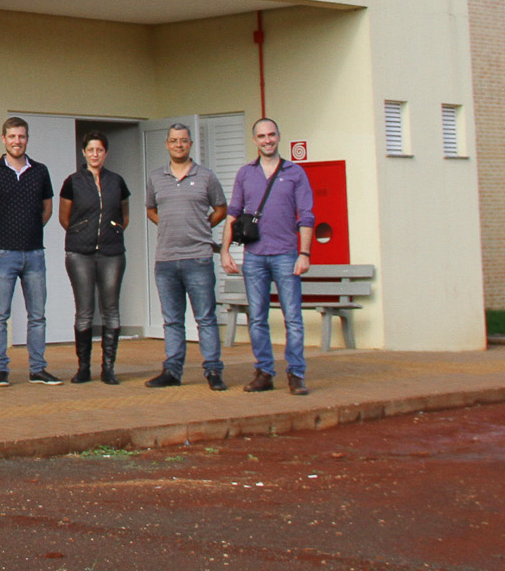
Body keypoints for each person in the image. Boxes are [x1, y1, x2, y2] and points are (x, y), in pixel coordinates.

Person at [222, 117, 317, 396]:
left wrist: (305, 253)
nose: (267, 140)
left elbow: (307, 216)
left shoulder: (295, 172)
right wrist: (225, 250)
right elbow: (233, 213)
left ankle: (296, 374)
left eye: (271, 135)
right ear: (255, 140)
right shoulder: (245, 173)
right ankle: (264, 372)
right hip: (254, 256)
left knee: (293, 317)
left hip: (287, 255)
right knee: (257, 318)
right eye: (261, 136)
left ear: (278, 137)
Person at [144, 123, 229, 391]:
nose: (178, 145)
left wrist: (201, 226)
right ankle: (172, 370)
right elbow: (150, 210)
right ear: (167, 145)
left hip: (198, 258)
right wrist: (171, 224)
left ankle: (213, 370)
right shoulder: (156, 177)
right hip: (166, 259)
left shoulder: (206, 176)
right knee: (172, 320)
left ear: (190, 144)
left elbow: (221, 209)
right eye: (173, 140)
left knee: (205, 317)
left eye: (183, 140)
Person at [0, 117, 57, 385]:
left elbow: (47, 208)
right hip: (3, 255)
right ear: (3, 139)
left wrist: (31, 229)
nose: (17, 141)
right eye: (12, 136)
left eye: (21, 136)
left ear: (27, 139)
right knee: (0, 314)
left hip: (34, 253)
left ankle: (38, 369)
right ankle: (1, 369)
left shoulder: (40, 171)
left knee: (37, 315)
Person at [59, 133, 133, 384]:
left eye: (99, 150)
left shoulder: (117, 181)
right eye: (91, 150)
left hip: (112, 252)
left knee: (111, 309)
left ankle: (108, 368)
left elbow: (124, 213)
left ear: (106, 153)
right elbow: (64, 218)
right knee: (85, 311)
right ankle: (83, 368)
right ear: (83, 152)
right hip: (80, 252)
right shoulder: (73, 182)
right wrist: (82, 233)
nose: (95, 154)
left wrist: (114, 229)